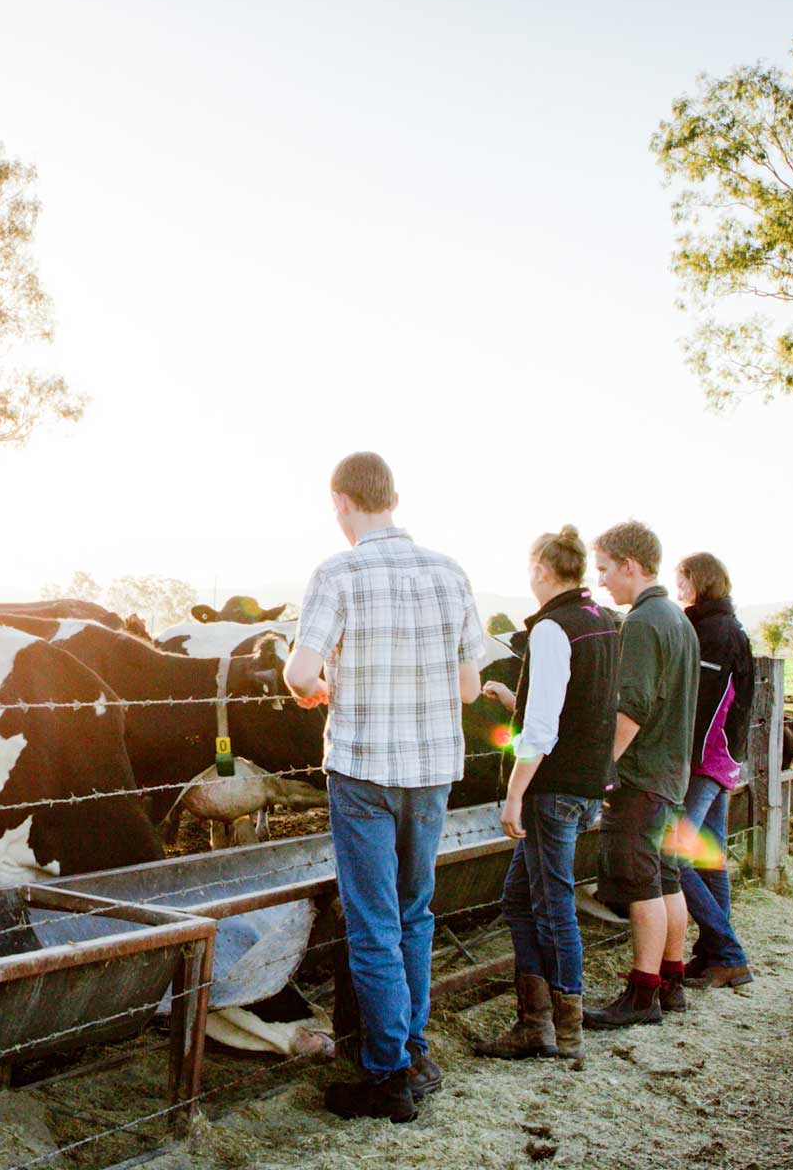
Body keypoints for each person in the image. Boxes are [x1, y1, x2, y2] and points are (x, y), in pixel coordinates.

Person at [283, 451, 494, 1123]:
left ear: (342, 502)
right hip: (432, 773)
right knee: (414, 915)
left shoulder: (338, 571)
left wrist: (318, 689)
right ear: (394, 498)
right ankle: (414, 1050)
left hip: (365, 772)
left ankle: (387, 1075)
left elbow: (299, 671)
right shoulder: (450, 571)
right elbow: (467, 688)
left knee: (373, 922)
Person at [477, 525, 618, 1062]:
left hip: (552, 788)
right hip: (584, 784)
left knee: (552, 902)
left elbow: (541, 731)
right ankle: (536, 1021)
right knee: (521, 897)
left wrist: (515, 794)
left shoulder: (552, 629)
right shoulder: (601, 620)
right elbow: (578, 701)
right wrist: (515, 695)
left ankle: (565, 1029)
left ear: (540, 568)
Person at [583, 520, 700, 1030]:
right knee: (666, 877)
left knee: (640, 884)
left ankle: (642, 994)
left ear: (630, 565)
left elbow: (630, 708)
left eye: (606, 569)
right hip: (673, 774)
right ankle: (671, 981)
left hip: (643, 775)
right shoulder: (679, 619)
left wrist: (598, 769)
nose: (603, 580)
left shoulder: (643, 623)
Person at [674, 552, 756, 989]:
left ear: (698, 581)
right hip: (721, 758)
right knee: (709, 858)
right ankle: (713, 956)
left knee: (671, 855)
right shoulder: (727, 626)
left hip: (705, 760)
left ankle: (728, 952)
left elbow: (705, 705)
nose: (678, 588)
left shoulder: (715, 632)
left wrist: (684, 760)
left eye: (682, 579)